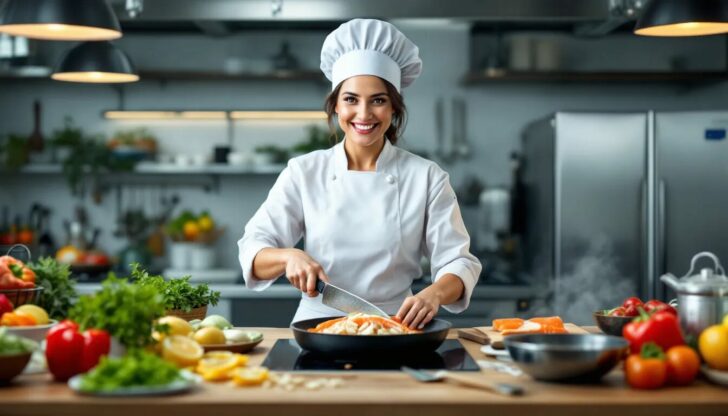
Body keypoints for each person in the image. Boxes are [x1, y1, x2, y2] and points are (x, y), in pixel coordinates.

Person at [238, 19, 481, 329]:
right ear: (336, 107)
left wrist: (433, 294)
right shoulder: (304, 171)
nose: (364, 114)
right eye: (351, 99)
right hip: (318, 326)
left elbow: (460, 262)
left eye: (378, 100)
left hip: (395, 325)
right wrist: (288, 257)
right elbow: (253, 249)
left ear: (394, 108)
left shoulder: (427, 177)